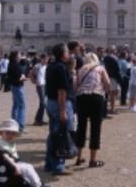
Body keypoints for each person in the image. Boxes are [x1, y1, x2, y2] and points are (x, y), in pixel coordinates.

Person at [74, 52, 111, 168]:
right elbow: (108, 83)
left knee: (81, 127)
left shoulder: (80, 70)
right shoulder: (100, 68)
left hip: (82, 98)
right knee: (95, 128)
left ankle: (79, 157)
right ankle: (93, 159)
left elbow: (75, 87)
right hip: (96, 97)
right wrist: (104, 91)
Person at [45, 43, 74, 176]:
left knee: (53, 134)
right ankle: (58, 165)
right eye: (67, 52)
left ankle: (49, 162)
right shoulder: (61, 68)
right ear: (63, 54)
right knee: (61, 134)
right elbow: (61, 91)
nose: (69, 54)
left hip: (50, 102)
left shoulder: (50, 66)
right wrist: (63, 110)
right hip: (59, 103)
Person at [0, 118, 45, 187]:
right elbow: (6, 156)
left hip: (14, 163)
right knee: (28, 168)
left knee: (27, 169)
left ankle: (35, 184)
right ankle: (37, 186)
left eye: (13, 133)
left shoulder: (8, 142)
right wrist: (15, 167)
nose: (10, 135)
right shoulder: (1, 144)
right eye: (8, 133)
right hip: (9, 166)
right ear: (1, 133)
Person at [6, 51, 27, 132]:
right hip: (18, 86)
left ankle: (13, 123)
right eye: (19, 56)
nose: (20, 57)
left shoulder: (10, 64)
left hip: (13, 86)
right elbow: (20, 77)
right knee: (22, 106)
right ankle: (20, 126)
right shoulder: (15, 66)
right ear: (15, 57)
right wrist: (24, 77)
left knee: (15, 105)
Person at [102, 46, 122, 116]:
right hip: (113, 77)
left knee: (110, 94)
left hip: (107, 76)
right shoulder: (113, 58)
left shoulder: (105, 58)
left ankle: (109, 108)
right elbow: (117, 69)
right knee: (113, 94)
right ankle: (112, 109)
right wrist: (120, 79)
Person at [30, 54, 48, 126]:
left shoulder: (46, 67)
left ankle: (39, 119)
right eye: (45, 59)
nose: (46, 61)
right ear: (42, 59)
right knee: (43, 103)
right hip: (40, 85)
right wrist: (34, 81)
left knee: (43, 103)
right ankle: (37, 119)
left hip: (45, 85)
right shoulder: (37, 66)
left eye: (47, 59)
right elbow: (31, 74)